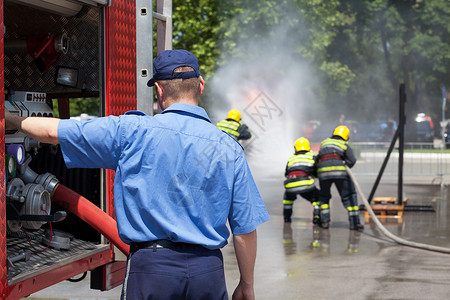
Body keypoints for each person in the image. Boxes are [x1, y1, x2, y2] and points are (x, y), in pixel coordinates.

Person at [5, 49, 270, 300]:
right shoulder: (229, 148)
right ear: (200, 85)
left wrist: (12, 119)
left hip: (152, 269)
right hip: (207, 272)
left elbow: (55, 132)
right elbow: (245, 229)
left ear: (158, 89)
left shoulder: (131, 131)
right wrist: (246, 285)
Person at [315, 125, 364, 231]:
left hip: (323, 172)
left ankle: (324, 222)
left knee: (324, 196)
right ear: (346, 136)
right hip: (339, 172)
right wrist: (345, 164)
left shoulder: (324, 142)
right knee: (349, 195)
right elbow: (352, 160)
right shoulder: (344, 144)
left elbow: (319, 157)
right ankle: (354, 223)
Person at [282, 137, 320, 224]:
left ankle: (287, 219)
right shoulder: (312, 156)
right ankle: (316, 217)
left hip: (290, 185)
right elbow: (316, 172)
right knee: (317, 198)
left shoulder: (291, 158)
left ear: (296, 147)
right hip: (305, 184)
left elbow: (286, 174)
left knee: (287, 199)